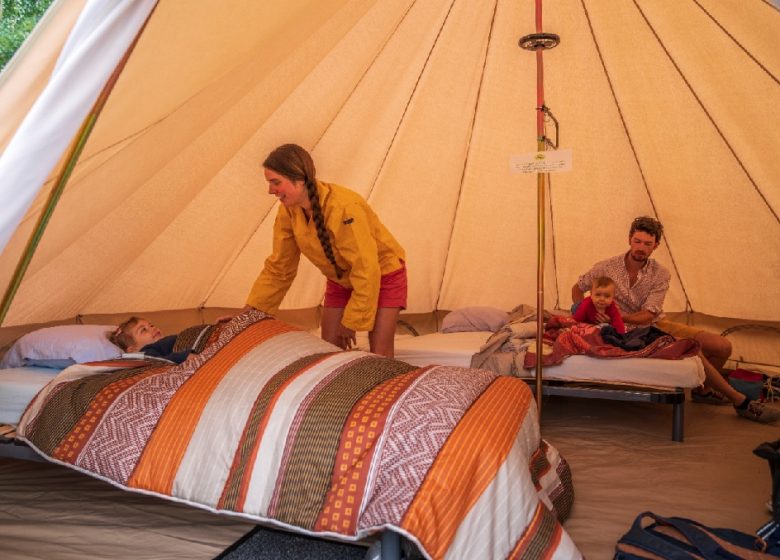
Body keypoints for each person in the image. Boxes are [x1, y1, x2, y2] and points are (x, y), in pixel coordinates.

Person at [572, 216, 780, 424]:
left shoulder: (660, 273)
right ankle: (740, 402)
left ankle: (703, 391)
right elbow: (577, 288)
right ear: (629, 239)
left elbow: (649, 314)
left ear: (656, 246)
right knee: (691, 349)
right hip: (626, 329)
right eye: (637, 241)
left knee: (722, 346)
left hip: (651, 323)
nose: (640, 248)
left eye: (647, 244)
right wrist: (584, 314)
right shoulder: (606, 267)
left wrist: (617, 316)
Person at [244, 144, 407, 358]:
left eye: (276, 182)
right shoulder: (288, 212)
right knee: (329, 353)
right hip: (341, 280)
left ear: (299, 179)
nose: (270, 190)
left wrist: (352, 321)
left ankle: (385, 390)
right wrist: (248, 316)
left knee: (380, 353)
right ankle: (342, 391)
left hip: (383, 275)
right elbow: (279, 268)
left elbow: (366, 268)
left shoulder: (344, 207)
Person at [110, 317, 192, 364]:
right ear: (133, 350)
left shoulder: (164, 342)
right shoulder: (146, 352)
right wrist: (185, 356)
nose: (152, 328)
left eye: (151, 325)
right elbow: (161, 362)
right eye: (143, 330)